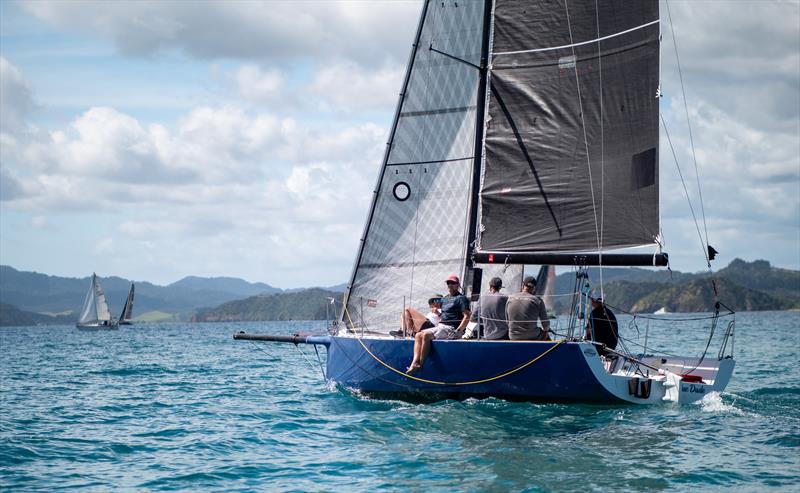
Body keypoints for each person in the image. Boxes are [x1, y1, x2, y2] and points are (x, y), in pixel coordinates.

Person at [406, 274, 471, 373]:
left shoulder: (461, 298)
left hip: (452, 328)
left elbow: (467, 316)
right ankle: (414, 363)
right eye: (448, 283)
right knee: (419, 335)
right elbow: (438, 306)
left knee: (426, 335)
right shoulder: (445, 298)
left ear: (458, 285)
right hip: (441, 326)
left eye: (453, 283)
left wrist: (459, 331)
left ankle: (420, 365)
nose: (450, 285)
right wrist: (434, 308)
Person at [506, 276, 550, 341]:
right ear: (534, 288)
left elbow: (507, 321)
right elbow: (545, 325)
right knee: (545, 334)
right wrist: (547, 330)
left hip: (513, 336)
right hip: (532, 336)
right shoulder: (538, 300)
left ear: (523, 285)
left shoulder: (510, 298)